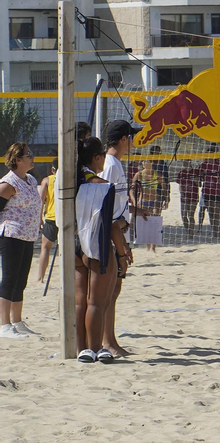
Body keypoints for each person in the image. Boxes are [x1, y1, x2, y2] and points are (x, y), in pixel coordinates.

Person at [74, 137, 130, 363]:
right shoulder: (103, 186)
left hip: (74, 244)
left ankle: (81, 348)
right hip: (98, 244)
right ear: (97, 158)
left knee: (80, 302)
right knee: (98, 302)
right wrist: (122, 252)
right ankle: (96, 348)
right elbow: (111, 225)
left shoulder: (67, 180)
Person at [99, 119, 138, 358]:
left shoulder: (115, 164)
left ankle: (110, 339)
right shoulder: (110, 165)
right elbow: (107, 207)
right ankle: (107, 342)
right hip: (111, 233)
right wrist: (120, 243)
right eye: (130, 137)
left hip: (117, 232)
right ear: (123, 139)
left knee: (115, 289)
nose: (133, 141)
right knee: (109, 291)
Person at [0, 144, 42, 339]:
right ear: (17, 160)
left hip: (28, 235)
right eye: (28, 155)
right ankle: (4, 324)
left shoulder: (31, 180)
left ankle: (17, 321)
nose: (32, 158)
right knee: (9, 280)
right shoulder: (9, 184)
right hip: (11, 235)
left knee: (21, 280)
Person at [33, 163, 57, 294]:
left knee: (45, 248)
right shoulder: (70, 179)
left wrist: (39, 217)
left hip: (51, 218)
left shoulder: (47, 180)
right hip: (65, 218)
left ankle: (40, 278)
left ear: (53, 168)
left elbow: (40, 200)